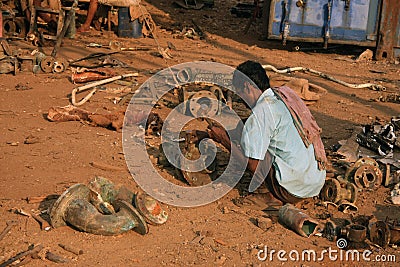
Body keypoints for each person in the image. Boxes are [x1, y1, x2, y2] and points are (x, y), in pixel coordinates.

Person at [208, 60, 327, 208]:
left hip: (292, 190)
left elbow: (252, 165)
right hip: (315, 182)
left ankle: (271, 195)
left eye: (239, 93)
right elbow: (250, 128)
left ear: (247, 86)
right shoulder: (284, 94)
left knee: (255, 153)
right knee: (250, 132)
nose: (241, 100)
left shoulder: (262, 111)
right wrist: (224, 132)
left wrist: (223, 139)